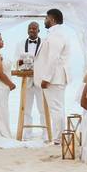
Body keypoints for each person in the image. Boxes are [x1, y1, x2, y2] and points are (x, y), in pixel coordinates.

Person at [34, 8, 71, 142]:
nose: (44, 20)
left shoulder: (57, 35)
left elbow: (53, 58)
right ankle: (59, 138)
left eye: (46, 18)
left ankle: (58, 139)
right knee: (58, 108)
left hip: (54, 78)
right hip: (56, 77)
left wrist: (46, 78)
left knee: (56, 109)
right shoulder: (56, 33)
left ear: (52, 19)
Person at [19, 22, 45, 135]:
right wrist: (23, 64)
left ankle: (45, 132)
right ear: (27, 30)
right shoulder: (20, 44)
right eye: (30, 28)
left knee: (43, 108)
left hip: (40, 80)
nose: (32, 30)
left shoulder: (44, 44)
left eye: (34, 29)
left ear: (39, 31)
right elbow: (17, 61)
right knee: (26, 108)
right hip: (26, 81)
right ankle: (27, 133)